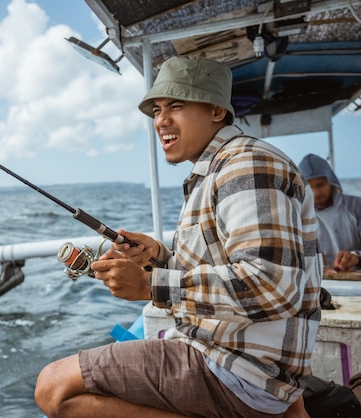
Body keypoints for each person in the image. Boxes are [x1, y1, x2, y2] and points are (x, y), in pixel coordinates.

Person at [35, 56, 321, 417]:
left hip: (240, 370)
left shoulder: (246, 165)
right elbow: (230, 268)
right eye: (157, 109)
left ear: (217, 111)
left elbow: (272, 286)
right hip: (234, 357)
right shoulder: (220, 168)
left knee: (54, 387)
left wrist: (151, 285)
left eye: (176, 105)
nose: (160, 120)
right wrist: (159, 257)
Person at [298, 153, 361, 271]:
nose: (316, 192)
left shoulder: (356, 206)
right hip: (319, 284)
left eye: (320, 185)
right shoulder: (296, 216)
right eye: (310, 187)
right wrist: (306, 257)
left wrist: (356, 256)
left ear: (331, 181)